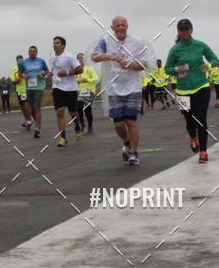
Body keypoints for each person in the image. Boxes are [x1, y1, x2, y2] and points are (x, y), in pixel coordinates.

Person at [91, 16, 155, 166]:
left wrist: (130, 65)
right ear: (112, 27)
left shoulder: (137, 42)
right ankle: (126, 141)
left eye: (123, 25)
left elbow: (145, 64)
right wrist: (112, 56)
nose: (120, 28)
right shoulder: (106, 40)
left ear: (127, 26)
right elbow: (94, 56)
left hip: (132, 87)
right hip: (114, 89)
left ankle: (133, 152)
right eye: (117, 25)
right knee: (119, 124)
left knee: (131, 121)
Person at [165, 19, 218, 163]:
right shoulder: (175, 49)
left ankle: (203, 152)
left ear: (191, 30)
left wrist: (209, 65)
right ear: (178, 32)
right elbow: (167, 68)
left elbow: (214, 58)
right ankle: (193, 137)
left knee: (201, 121)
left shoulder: (200, 45)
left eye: (186, 29)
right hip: (183, 91)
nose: (184, 32)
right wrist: (177, 69)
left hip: (201, 87)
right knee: (189, 121)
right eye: (181, 29)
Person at [48, 37, 83, 147]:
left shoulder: (69, 57)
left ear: (63, 45)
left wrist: (67, 72)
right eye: (54, 43)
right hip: (57, 88)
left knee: (73, 113)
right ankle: (63, 137)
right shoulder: (52, 57)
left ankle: (77, 126)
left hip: (70, 89)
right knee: (59, 112)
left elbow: (80, 69)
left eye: (57, 43)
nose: (55, 45)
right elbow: (53, 70)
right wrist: (48, 75)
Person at [18, 46, 49, 137]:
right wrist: (23, 76)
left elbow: (47, 70)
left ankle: (37, 129)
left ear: (37, 52)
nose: (32, 52)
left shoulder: (41, 61)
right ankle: (37, 124)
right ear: (28, 52)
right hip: (29, 88)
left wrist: (43, 74)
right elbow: (19, 73)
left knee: (37, 108)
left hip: (39, 87)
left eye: (34, 51)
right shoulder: (24, 62)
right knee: (30, 109)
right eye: (31, 51)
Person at [75, 53, 99, 133]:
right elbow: (72, 80)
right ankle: (82, 123)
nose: (80, 59)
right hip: (78, 91)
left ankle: (90, 126)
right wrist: (77, 81)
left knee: (88, 110)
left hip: (88, 91)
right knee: (79, 108)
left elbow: (96, 78)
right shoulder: (75, 70)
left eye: (82, 58)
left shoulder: (89, 68)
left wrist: (88, 80)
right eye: (78, 58)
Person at [10, 55, 32, 128]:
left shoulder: (27, 68)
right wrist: (18, 80)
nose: (20, 62)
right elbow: (13, 82)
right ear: (16, 61)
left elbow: (31, 77)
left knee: (26, 106)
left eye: (21, 60)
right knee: (23, 107)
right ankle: (26, 119)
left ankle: (29, 121)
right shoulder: (14, 70)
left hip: (27, 90)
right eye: (19, 61)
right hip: (19, 91)